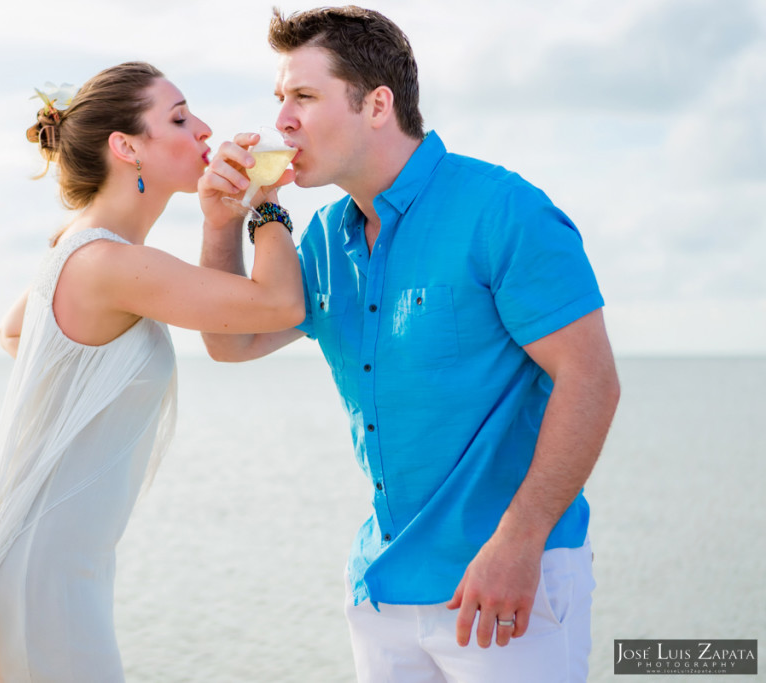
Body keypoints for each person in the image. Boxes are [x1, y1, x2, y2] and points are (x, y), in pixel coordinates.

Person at [199, 7, 620, 682]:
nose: (281, 119)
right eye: (280, 98)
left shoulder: (504, 209)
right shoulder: (326, 238)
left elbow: (591, 380)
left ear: (377, 104)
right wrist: (230, 220)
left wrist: (520, 542)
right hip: (381, 591)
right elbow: (233, 340)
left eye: (303, 96)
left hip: (506, 587)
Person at [0, 61, 303, 682]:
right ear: (126, 147)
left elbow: (13, 330)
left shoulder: (80, 247)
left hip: (49, 566)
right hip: (49, 578)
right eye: (180, 118)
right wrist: (264, 206)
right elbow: (276, 306)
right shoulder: (107, 262)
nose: (204, 127)